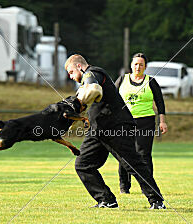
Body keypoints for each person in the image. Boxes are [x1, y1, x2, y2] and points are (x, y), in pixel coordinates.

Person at [65, 54, 165, 209]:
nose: (70, 77)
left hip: (115, 127)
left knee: (132, 164)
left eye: (71, 72)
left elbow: (93, 87)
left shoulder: (92, 73)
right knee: (83, 164)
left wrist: (86, 95)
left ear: (79, 66)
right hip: (98, 130)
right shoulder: (86, 81)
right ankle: (106, 199)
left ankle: (157, 201)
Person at [114, 53, 168, 194]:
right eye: (136, 64)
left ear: (145, 67)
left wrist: (162, 121)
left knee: (143, 154)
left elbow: (160, 102)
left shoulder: (150, 81)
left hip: (145, 121)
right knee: (124, 154)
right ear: (131, 65)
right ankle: (124, 187)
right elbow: (112, 99)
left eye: (141, 64)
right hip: (125, 121)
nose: (138, 67)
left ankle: (148, 187)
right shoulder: (122, 79)